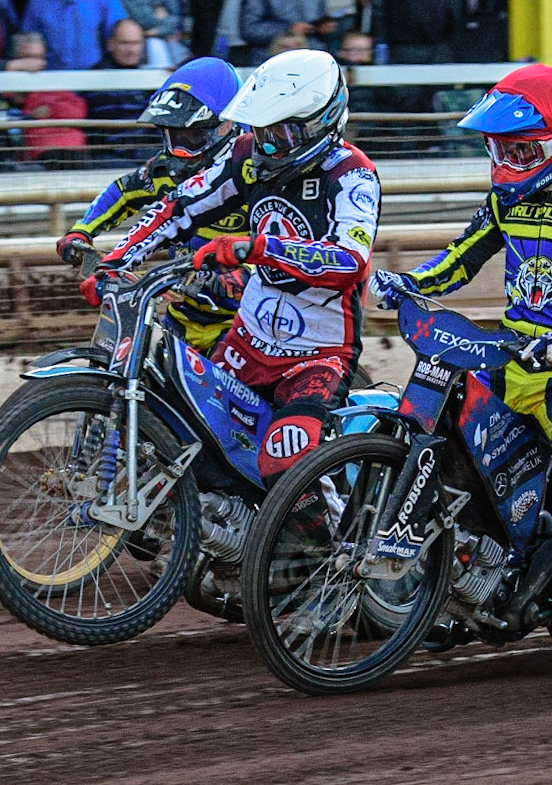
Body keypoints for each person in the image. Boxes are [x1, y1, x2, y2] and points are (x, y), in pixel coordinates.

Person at [367, 63, 552, 670]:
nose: (507, 161)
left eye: (520, 149)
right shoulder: (506, 197)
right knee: (440, 428)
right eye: (499, 148)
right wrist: (407, 283)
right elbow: (459, 259)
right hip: (510, 354)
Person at [95, 49, 378, 486]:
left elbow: (349, 261)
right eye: (262, 130)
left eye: (281, 133)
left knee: (285, 464)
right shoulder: (248, 155)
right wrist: (116, 261)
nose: (268, 145)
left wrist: (258, 248)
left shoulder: (352, 175)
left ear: (322, 121)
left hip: (317, 356)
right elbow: (179, 207)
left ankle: (328, 526)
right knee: (188, 442)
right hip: (245, 344)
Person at [59, 57, 246, 347]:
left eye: (193, 136)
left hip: (246, 321)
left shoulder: (253, 173)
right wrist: (82, 231)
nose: (181, 149)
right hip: (182, 312)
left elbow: (284, 243)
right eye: (174, 135)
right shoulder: (165, 170)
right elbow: (122, 192)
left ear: (226, 126)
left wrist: (240, 278)